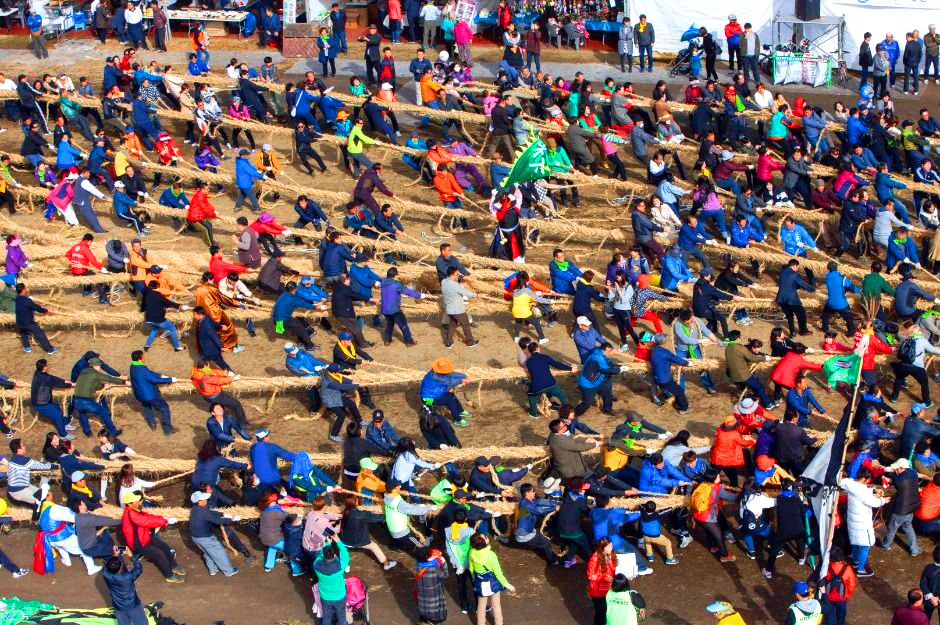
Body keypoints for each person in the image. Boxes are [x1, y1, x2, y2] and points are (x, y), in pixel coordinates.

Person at [120, 490, 183, 582]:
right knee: (160, 555)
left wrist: (163, 518)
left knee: (164, 547)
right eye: (137, 501)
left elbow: (148, 517)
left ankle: (174, 566)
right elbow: (146, 521)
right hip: (138, 543)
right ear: (129, 504)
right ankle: (169, 576)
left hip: (144, 537)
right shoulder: (131, 513)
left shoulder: (135, 509)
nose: (139, 502)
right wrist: (166, 521)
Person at [189, 490, 239, 577]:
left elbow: (211, 512)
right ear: (199, 501)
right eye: (204, 499)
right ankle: (229, 571)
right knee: (219, 552)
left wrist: (223, 514)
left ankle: (212, 569)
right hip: (205, 538)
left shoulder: (195, 509)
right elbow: (217, 520)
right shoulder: (202, 512)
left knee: (208, 552)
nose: (206, 500)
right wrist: (232, 519)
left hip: (196, 537)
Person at [469, 531, 515, 625]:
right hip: (492, 583)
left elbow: (471, 568)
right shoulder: (491, 555)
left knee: (481, 606)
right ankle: (499, 623)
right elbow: (498, 573)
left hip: (480, 582)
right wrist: (507, 584)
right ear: (485, 542)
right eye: (485, 537)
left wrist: (474, 579)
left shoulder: (471, 552)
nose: (487, 537)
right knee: (496, 605)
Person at [102, 547, 147, 625]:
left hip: (118, 606)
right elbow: (139, 568)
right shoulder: (127, 577)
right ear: (121, 567)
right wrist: (131, 555)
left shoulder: (106, 574)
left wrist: (115, 555)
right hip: (133, 604)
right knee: (141, 622)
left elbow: (107, 565)